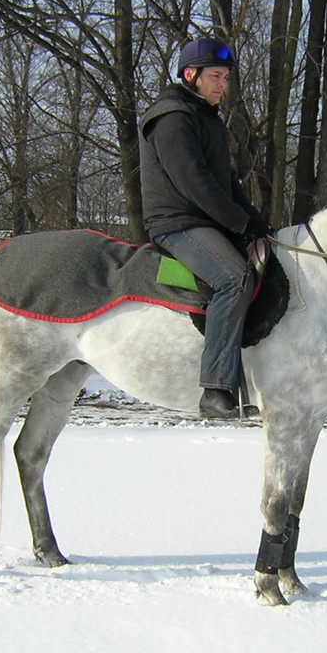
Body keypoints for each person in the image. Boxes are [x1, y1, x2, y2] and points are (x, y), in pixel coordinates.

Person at [139, 37, 270, 419]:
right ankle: (215, 389)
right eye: (215, 76)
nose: (222, 86)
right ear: (190, 75)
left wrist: (256, 222)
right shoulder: (171, 117)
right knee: (234, 278)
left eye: (225, 78)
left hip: (203, 220)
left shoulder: (207, 119)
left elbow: (228, 181)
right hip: (177, 222)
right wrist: (238, 222)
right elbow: (193, 182)